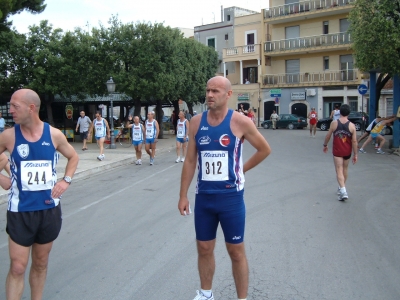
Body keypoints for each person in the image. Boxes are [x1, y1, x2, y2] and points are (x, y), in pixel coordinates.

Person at [178, 76, 271, 300]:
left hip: (231, 198)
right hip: (204, 199)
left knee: (236, 251)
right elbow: (190, 161)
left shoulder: (240, 122)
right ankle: (206, 293)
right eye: (208, 90)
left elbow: (264, 149)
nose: (210, 95)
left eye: (216, 91)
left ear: (228, 95)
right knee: (204, 247)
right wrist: (183, 195)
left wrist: (242, 170)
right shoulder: (196, 122)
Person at [0, 89, 79, 300]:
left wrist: (66, 181)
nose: (11, 110)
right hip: (20, 211)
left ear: (31, 108)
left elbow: (73, 157)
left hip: (48, 210)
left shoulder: (53, 134)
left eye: (15, 106)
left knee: (41, 263)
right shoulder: (8, 136)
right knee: (17, 267)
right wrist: (4, 178)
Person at [323, 104, 357, 201]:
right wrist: (356, 154)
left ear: (340, 112)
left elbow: (328, 136)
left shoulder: (334, 123)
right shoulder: (352, 126)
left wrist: (325, 145)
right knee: (345, 169)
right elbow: (354, 141)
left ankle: (343, 191)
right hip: (347, 151)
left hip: (338, 151)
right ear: (349, 113)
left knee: (339, 169)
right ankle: (342, 187)